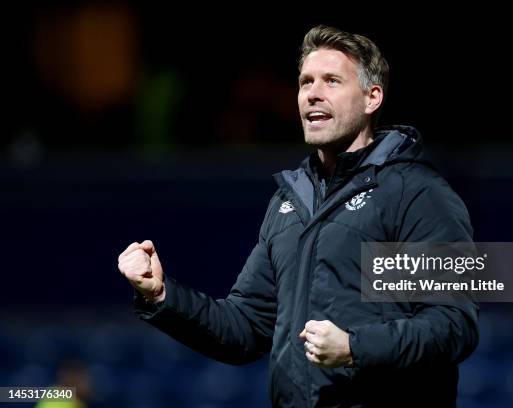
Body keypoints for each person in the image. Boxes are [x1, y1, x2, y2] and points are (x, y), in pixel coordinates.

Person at [118, 25, 478, 407]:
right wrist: (160, 295)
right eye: (305, 82)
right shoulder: (289, 204)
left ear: (372, 98)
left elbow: (452, 326)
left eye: (332, 81)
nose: (313, 93)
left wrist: (355, 347)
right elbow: (245, 328)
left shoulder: (416, 193)